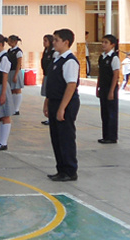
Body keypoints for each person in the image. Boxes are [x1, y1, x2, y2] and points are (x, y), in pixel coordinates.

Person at [44, 28, 81, 182]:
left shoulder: (70, 61)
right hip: (54, 101)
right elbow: (52, 84)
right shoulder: (57, 59)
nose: (54, 43)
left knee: (65, 137)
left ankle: (70, 170)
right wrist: (47, 102)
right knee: (56, 138)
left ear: (66, 42)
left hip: (64, 102)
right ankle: (61, 169)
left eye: (56, 40)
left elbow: (71, 85)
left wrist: (62, 108)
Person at [97, 34, 120, 144]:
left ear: (112, 45)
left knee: (111, 113)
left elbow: (115, 75)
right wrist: (97, 87)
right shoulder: (102, 57)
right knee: (104, 113)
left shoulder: (114, 58)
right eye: (103, 42)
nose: (103, 44)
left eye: (106, 42)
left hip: (111, 88)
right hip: (103, 88)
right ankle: (105, 135)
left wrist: (111, 91)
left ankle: (112, 137)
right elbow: (100, 74)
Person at [40, 34, 56, 125]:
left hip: (50, 76)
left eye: (46, 41)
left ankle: (51, 117)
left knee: (49, 96)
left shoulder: (53, 52)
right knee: (47, 95)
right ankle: (49, 117)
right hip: (46, 75)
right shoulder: (46, 51)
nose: (44, 43)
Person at [7, 35, 24, 115]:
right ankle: (12, 107)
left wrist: (16, 75)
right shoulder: (9, 50)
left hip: (16, 71)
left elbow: (19, 64)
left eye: (10, 41)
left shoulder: (18, 51)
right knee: (12, 90)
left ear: (15, 42)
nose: (8, 42)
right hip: (10, 71)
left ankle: (16, 109)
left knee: (17, 89)